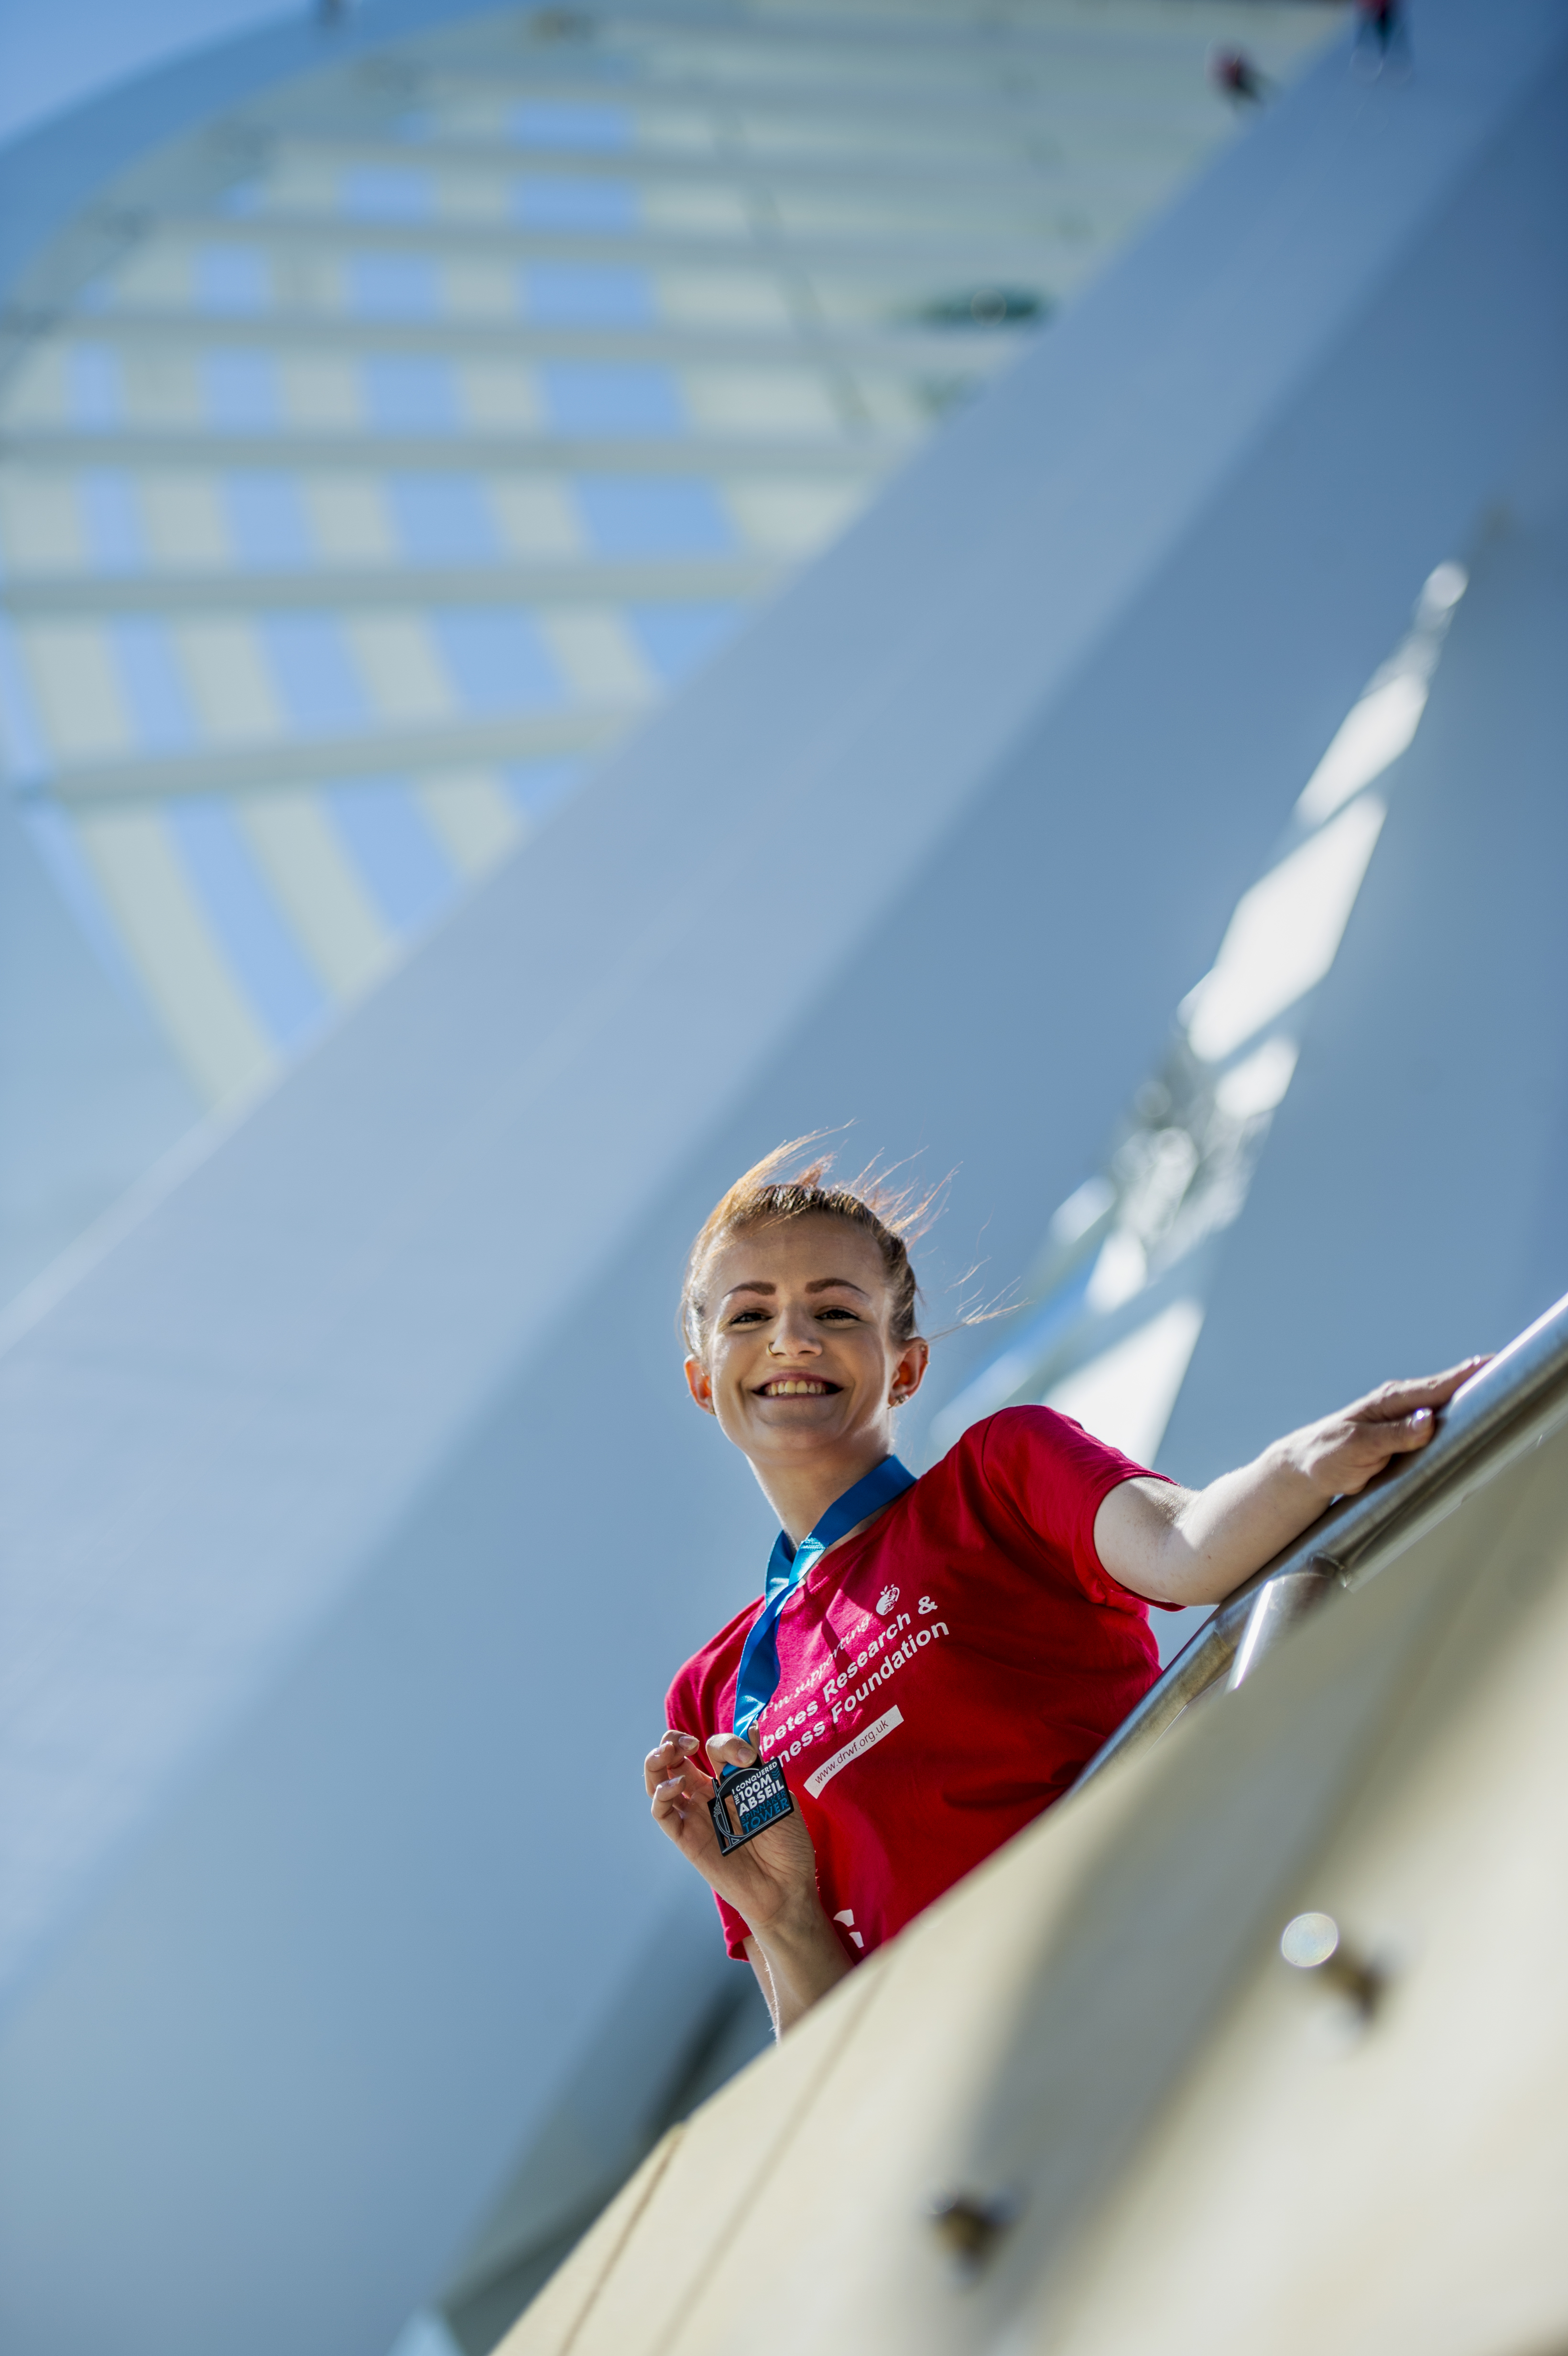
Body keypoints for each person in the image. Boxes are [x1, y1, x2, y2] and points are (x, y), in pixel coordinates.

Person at [645, 1145, 1481, 2036]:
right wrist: (785, 1919)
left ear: (907, 1367)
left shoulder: (1002, 1474)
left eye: (836, 1310)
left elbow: (1187, 1548)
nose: (792, 1339)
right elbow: (823, 2049)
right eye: (749, 1315)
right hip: (981, 2086)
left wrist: (1304, 1463)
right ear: (702, 1381)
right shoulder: (712, 1698)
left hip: (1185, 1964)